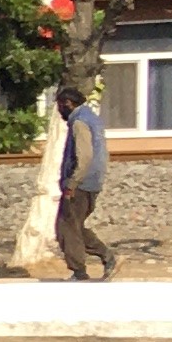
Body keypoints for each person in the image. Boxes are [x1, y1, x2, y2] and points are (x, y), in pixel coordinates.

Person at [53, 78, 117, 280]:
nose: (59, 112)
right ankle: (107, 256)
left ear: (67, 104)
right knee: (76, 225)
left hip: (80, 183)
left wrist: (72, 183)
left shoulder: (79, 122)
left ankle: (79, 271)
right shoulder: (94, 119)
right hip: (93, 182)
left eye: (60, 107)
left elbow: (85, 155)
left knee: (66, 227)